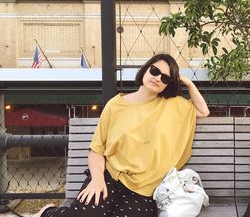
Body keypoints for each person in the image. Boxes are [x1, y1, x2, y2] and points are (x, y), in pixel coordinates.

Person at [34, 53, 210, 217]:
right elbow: (97, 148)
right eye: (155, 71)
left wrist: (187, 82)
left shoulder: (173, 105)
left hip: (144, 189)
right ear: (145, 69)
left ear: (168, 85)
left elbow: (203, 111)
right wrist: (97, 180)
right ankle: (49, 212)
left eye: (165, 78)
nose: (157, 78)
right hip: (109, 176)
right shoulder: (115, 105)